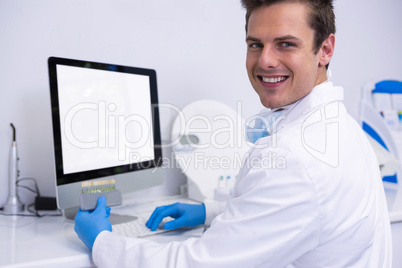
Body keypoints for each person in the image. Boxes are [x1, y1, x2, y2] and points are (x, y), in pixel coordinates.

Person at [74, 0, 393, 267]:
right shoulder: (342, 125)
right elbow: (292, 214)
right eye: (256, 44)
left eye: (285, 44)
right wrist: (208, 211)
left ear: (325, 49)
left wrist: (103, 242)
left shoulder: (296, 156)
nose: (265, 60)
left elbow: (198, 264)